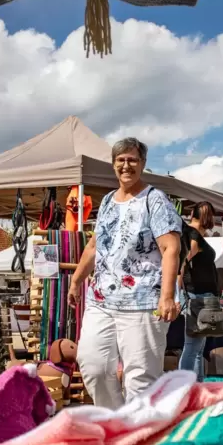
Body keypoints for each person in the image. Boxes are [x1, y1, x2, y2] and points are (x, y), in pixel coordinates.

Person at [68, 137, 182, 410]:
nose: (126, 165)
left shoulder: (155, 200)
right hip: (102, 300)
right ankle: (115, 421)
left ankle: (139, 437)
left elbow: (171, 248)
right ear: (113, 164)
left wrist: (167, 296)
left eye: (132, 160)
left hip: (142, 302)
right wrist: (76, 280)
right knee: (93, 366)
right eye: (121, 160)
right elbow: (95, 244)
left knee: (140, 377)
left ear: (142, 163)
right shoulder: (107, 200)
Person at [177, 201, 219, 382]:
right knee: (193, 347)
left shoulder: (193, 235)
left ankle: (196, 385)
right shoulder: (193, 235)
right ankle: (184, 386)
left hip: (201, 296)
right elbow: (181, 264)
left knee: (197, 348)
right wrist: (177, 294)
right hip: (198, 296)